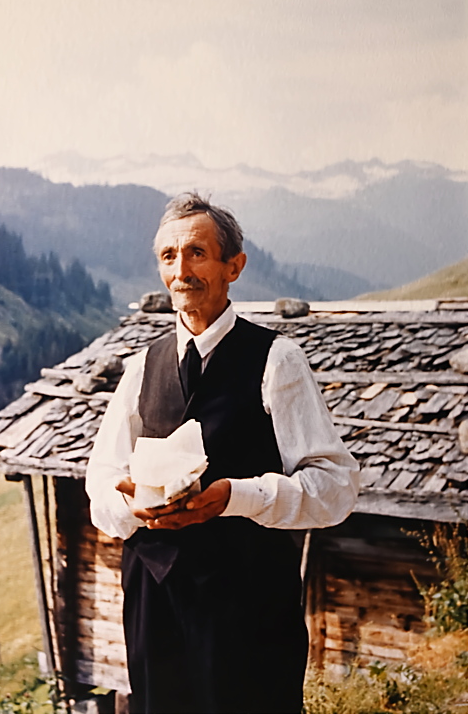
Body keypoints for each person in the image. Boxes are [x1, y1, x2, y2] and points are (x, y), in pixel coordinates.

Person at [86, 192, 359, 714]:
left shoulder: (277, 360)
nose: (181, 270)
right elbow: (101, 478)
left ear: (234, 266)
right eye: (169, 256)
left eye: (197, 254)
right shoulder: (143, 366)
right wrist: (130, 508)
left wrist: (240, 495)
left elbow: (337, 487)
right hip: (154, 598)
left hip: (250, 604)